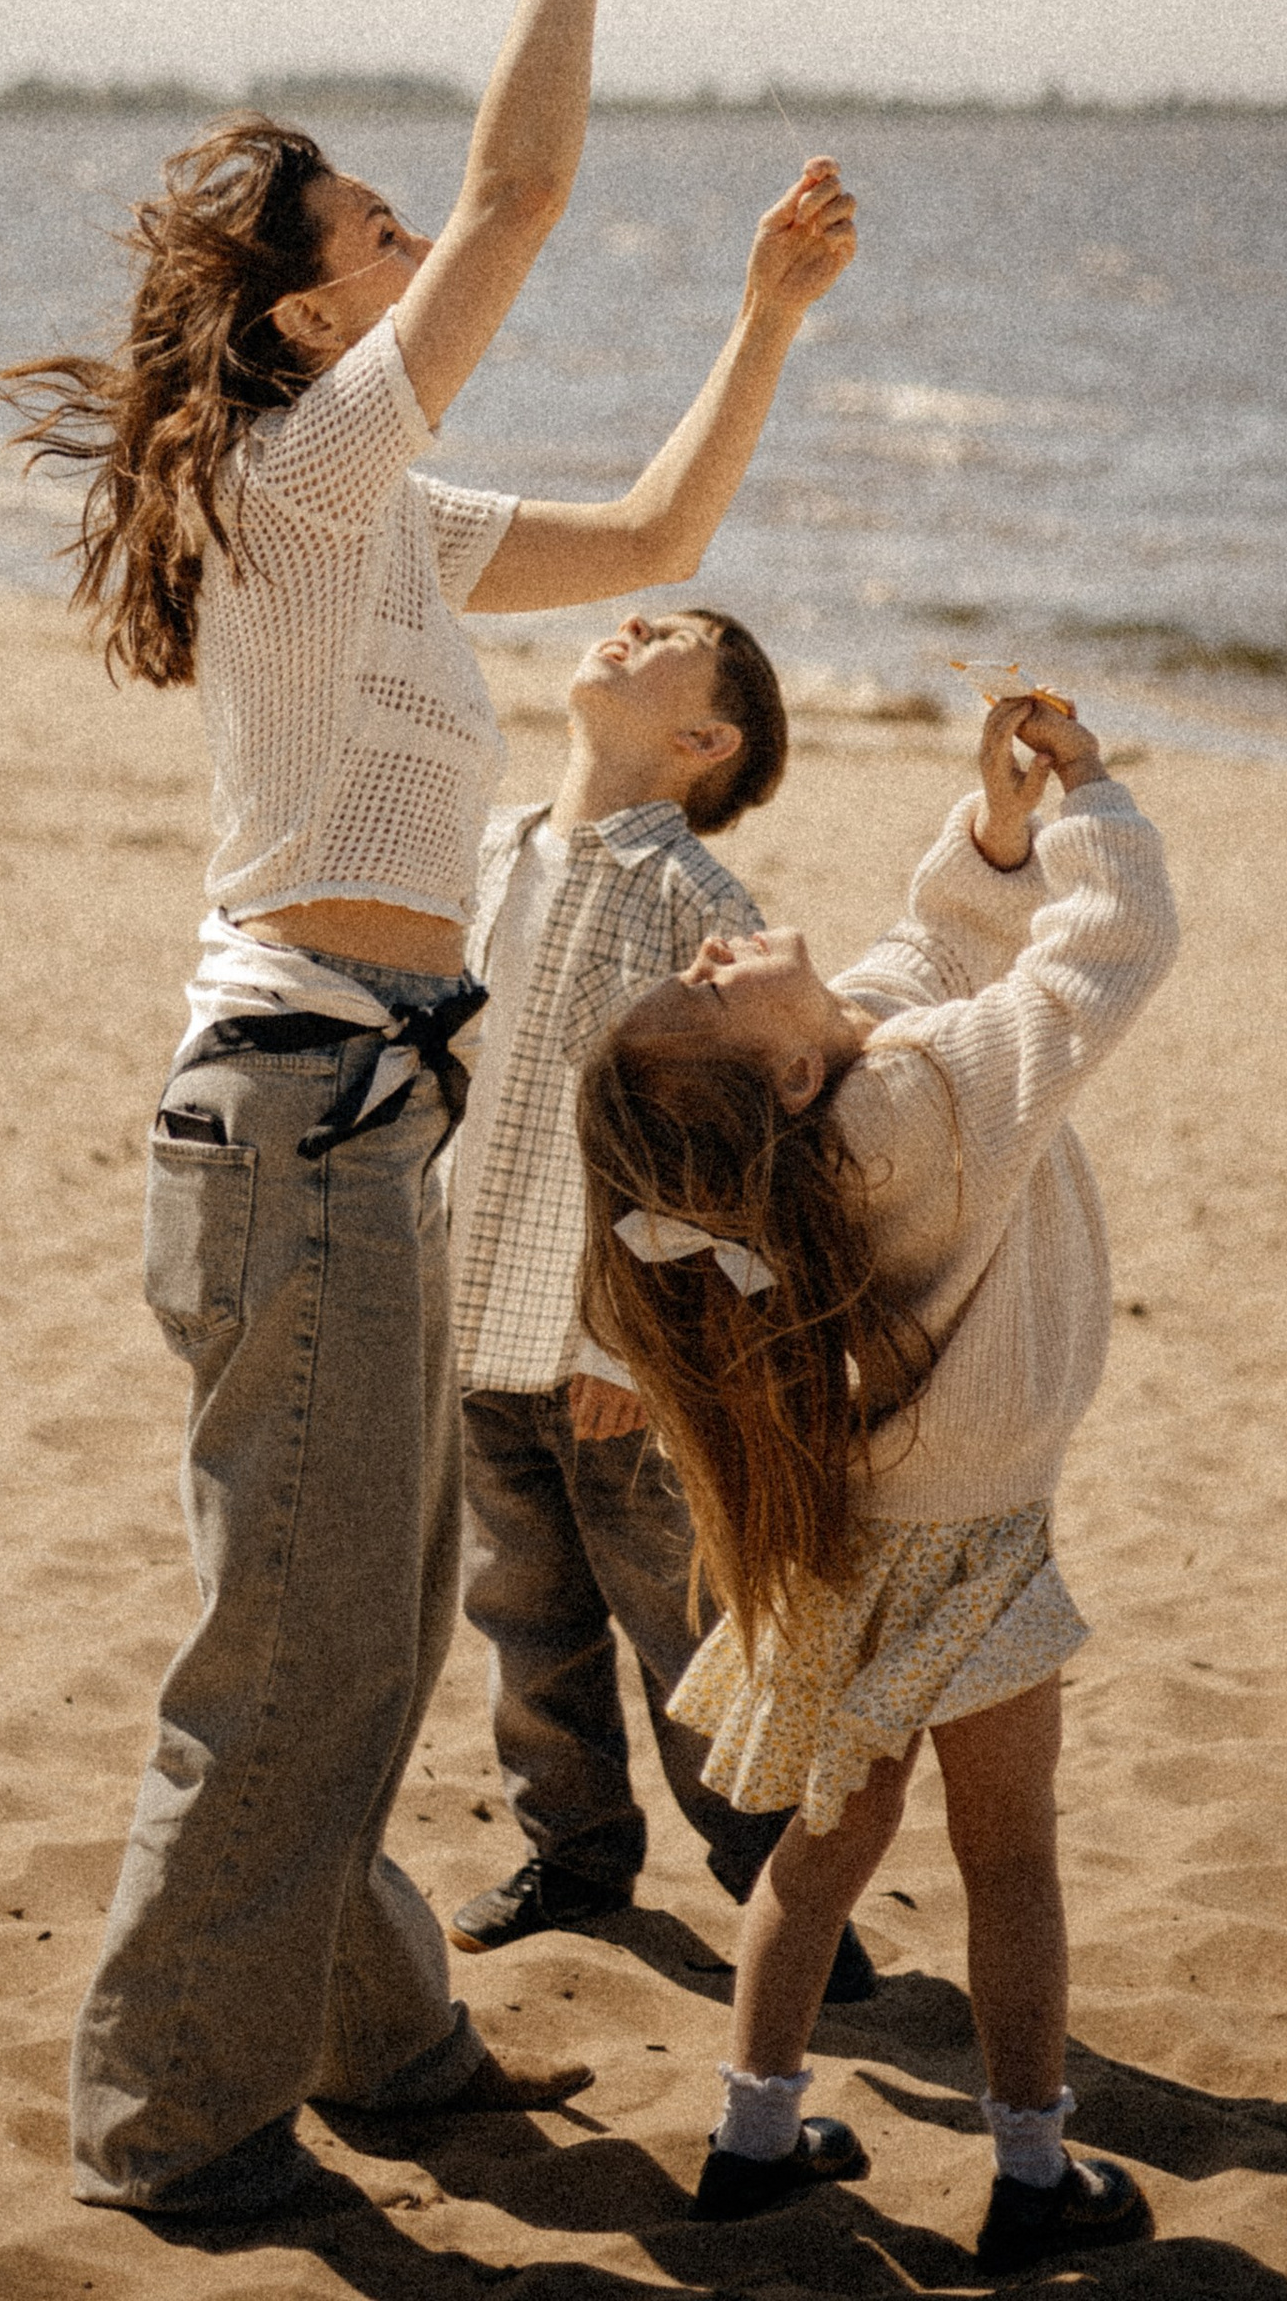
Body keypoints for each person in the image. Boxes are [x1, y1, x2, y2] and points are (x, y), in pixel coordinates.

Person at [0, 0, 860, 2222]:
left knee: (348, 1628)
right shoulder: (293, 479)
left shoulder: (370, 518)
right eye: (369, 246)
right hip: (295, 1123)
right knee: (297, 1657)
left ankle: (375, 2043)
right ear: (298, 314)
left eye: (395, 239)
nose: (411, 262)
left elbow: (668, 525)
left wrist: (762, 318)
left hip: (343, 1124)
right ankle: (171, 2120)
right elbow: (524, 184)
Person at [576, 691, 1179, 2271]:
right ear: (778, 1082)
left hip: (866, 1542)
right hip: (976, 1547)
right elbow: (1094, 964)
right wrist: (1091, 805)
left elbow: (921, 971)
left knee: (826, 1848)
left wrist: (992, 832)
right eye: (701, 991)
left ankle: (756, 2137)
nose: (708, 953)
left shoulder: (843, 1113)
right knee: (1012, 1858)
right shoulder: (919, 1108)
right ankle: (1036, 2171)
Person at [445, 604, 869, 2008]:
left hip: (608, 1349)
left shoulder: (699, 903)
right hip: (470, 1313)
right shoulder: (493, 848)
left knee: (680, 1630)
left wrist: (630, 1337)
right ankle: (572, 1856)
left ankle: (778, 1886)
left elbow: (735, 1144)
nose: (634, 620)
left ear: (705, 741)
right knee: (523, 1616)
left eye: (678, 632)